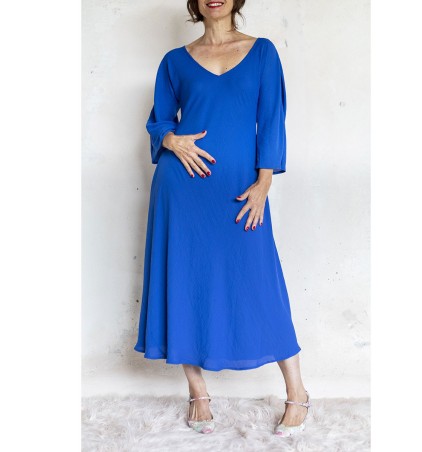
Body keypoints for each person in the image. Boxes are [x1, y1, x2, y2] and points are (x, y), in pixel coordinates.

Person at [134, 0, 311, 437]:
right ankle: (198, 393)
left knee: (260, 280)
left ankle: (297, 391)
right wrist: (171, 140)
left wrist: (264, 182)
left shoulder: (262, 52)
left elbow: (272, 119)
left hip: (239, 190)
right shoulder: (175, 61)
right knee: (184, 278)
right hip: (181, 190)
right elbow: (159, 121)